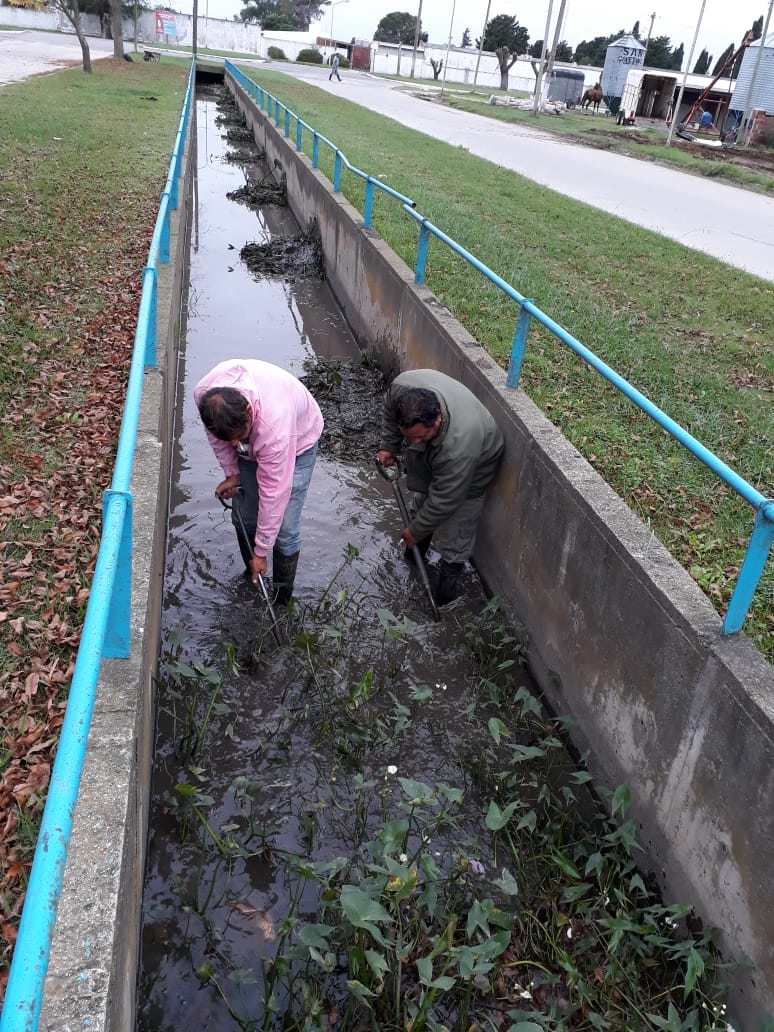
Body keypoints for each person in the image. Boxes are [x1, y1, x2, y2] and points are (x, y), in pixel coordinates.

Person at [194, 359, 323, 605]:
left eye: (239, 438)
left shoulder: (274, 426)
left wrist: (262, 551)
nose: (234, 446)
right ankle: (253, 577)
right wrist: (232, 472)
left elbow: (274, 493)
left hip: (298, 442)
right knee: (246, 513)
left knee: (284, 528)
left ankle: (282, 600)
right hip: (257, 432)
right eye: (229, 440)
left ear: (250, 413)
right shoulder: (205, 396)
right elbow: (218, 438)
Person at [376, 369, 504, 606]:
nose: (413, 444)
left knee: (458, 531)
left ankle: (445, 599)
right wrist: (389, 445)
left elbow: (445, 500)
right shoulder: (400, 390)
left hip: (478, 460)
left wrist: (414, 531)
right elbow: (389, 416)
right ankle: (414, 560)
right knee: (421, 505)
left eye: (421, 437)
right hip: (444, 450)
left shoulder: (458, 447)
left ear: (436, 419)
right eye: (409, 437)